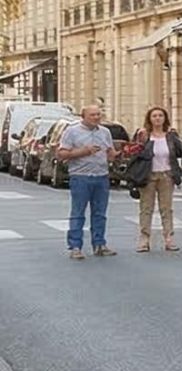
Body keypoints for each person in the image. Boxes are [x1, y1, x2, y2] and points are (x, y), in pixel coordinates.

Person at [58, 104, 119, 259]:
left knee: (100, 213)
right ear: (83, 116)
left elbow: (110, 153)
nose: (96, 117)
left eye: (98, 114)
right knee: (78, 213)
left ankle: (99, 244)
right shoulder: (72, 131)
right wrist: (83, 151)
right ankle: (75, 246)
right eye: (92, 115)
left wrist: (116, 154)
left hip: (101, 176)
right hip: (80, 177)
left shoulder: (105, 132)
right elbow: (62, 153)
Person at [128, 107, 182, 253]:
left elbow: (180, 152)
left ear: (165, 118)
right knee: (146, 209)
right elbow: (133, 154)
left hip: (166, 175)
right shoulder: (144, 135)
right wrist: (140, 141)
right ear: (149, 119)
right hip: (148, 176)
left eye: (160, 115)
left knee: (166, 209)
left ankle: (169, 238)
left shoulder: (170, 136)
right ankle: (144, 239)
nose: (157, 118)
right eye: (154, 116)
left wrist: (181, 139)